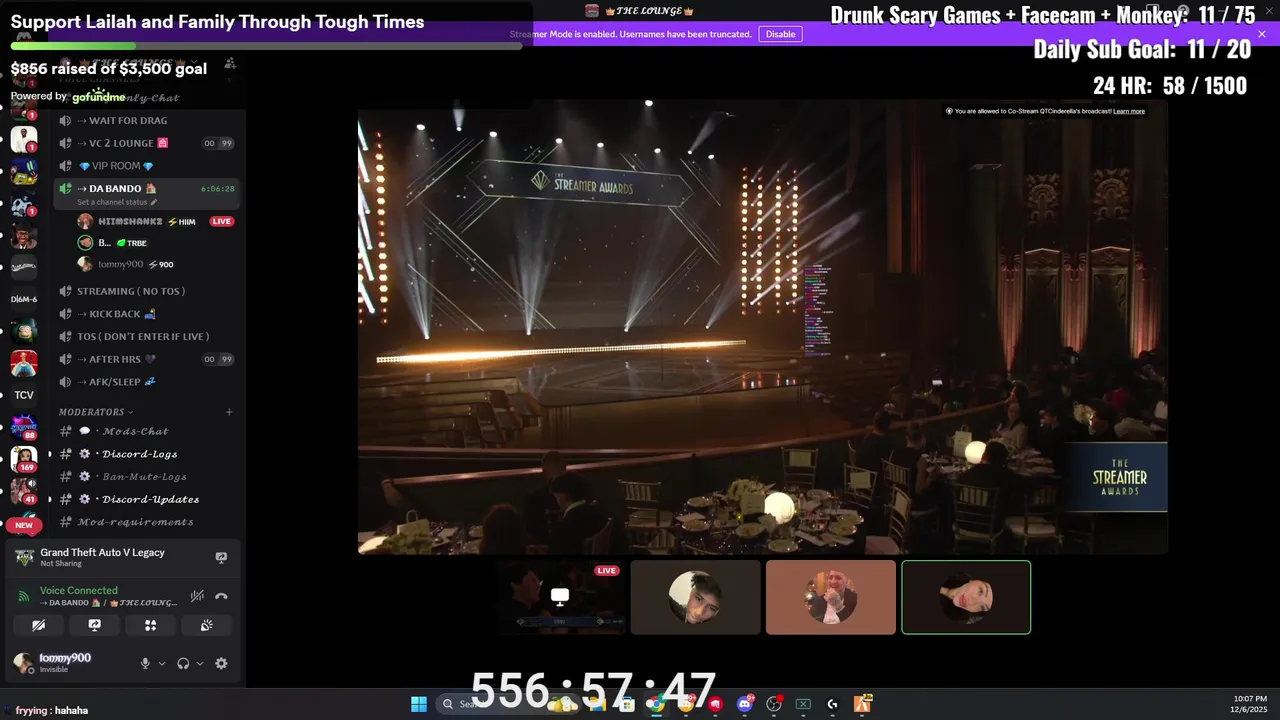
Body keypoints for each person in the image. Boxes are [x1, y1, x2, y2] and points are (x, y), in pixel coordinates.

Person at [547, 472, 608, 554]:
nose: (557, 501)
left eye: (556, 497)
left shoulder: (563, 528)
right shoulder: (599, 513)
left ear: (564, 496)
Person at [523, 451, 567, 542]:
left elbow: (530, 531)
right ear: (564, 469)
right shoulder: (579, 494)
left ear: (544, 471)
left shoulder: (533, 499)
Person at [495, 563, 544, 633]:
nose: (538, 585)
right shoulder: (511, 618)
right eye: (533, 581)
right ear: (515, 585)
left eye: (538, 581)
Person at [1036, 402, 1085, 471]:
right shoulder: (1047, 428)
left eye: (1047, 415)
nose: (1044, 417)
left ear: (1055, 418)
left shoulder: (1064, 434)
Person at [858, 411, 894, 477]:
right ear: (888, 425)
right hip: (874, 477)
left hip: (860, 476)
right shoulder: (884, 442)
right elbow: (885, 465)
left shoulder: (867, 438)